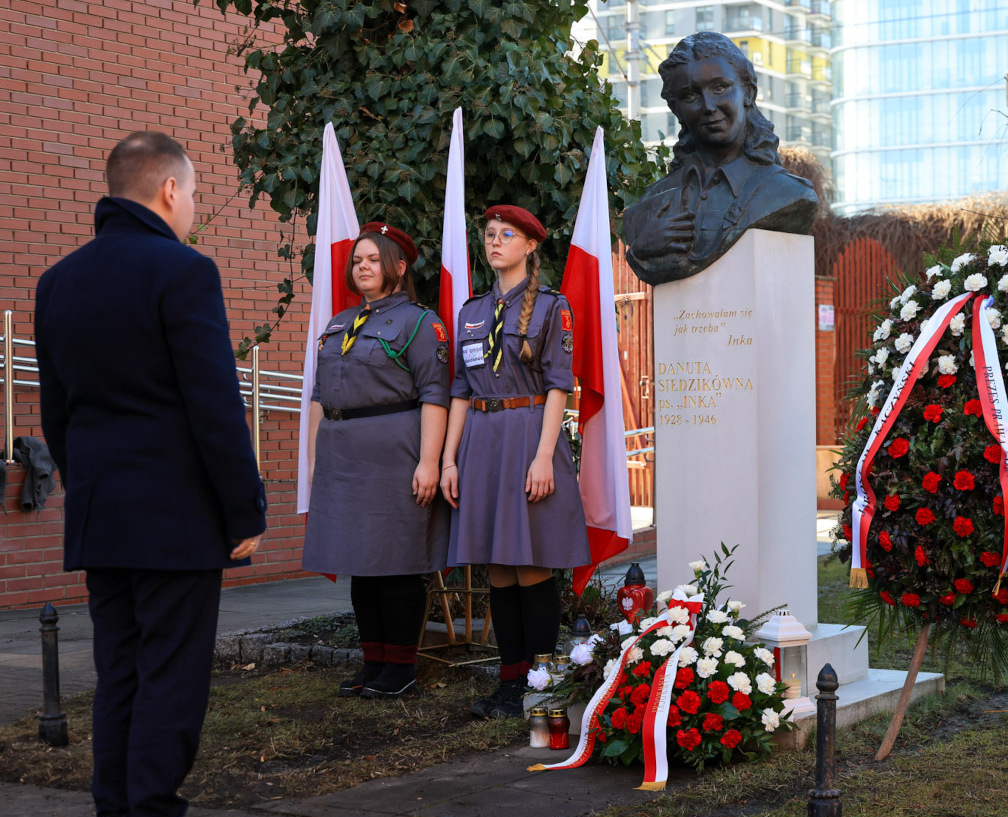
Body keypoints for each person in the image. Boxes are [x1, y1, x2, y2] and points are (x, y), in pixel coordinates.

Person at [36, 131, 266, 817]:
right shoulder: (183, 270)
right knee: (171, 679)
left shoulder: (57, 282)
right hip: (176, 520)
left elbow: (59, 416)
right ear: (169, 190)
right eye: (193, 193)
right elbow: (214, 403)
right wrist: (244, 510)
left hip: (102, 515)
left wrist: (91, 487)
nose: (192, 206)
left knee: (122, 676)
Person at [441, 205, 589, 719]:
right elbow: (460, 390)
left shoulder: (552, 307)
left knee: (530, 562)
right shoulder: (471, 311)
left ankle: (541, 683)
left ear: (530, 246)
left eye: (507, 234)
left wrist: (545, 456)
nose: (495, 241)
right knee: (497, 564)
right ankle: (510, 682)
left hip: (528, 436)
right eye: (489, 233)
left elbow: (558, 386)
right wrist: (448, 460)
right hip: (481, 440)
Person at [302, 222, 451, 699]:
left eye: (372, 260)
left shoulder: (419, 323)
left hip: (394, 455)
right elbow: (319, 396)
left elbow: (435, 395)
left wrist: (429, 462)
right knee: (360, 563)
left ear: (399, 268)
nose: (362, 267)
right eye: (357, 261)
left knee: (395, 562)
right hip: (341, 456)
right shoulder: (339, 323)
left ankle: (401, 669)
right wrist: (313, 461)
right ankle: (374, 664)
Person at [620, 31, 817, 285]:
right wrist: (641, 250)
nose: (708, 106)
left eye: (720, 88)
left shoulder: (788, 193)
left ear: (748, 93)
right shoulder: (652, 202)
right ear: (676, 109)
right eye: (690, 96)